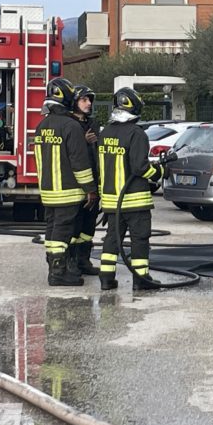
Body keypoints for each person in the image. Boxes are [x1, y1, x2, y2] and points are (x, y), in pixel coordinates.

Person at [97, 87, 164, 291]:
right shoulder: (137, 134)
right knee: (139, 239)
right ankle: (141, 280)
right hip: (135, 201)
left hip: (111, 201)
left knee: (112, 239)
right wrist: (159, 172)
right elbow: (140, 167)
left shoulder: (105, 133)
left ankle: (106, 278)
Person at [35, 77, 98, 287]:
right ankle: (58, 273)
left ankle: (55, 268)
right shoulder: (71, 126)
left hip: (48, 191)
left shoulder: (42, 125)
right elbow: (80, 164)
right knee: (63, 233)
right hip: (68, 191)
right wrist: (90, 189)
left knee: (52, 231)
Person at [67, 84, 101, 276]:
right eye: (84, 99)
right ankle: (70, 262)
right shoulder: (68, 124)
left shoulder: (93, 124)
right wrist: (82, 141)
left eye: (90, 100)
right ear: (74, 102)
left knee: (88, 226)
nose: (88, 103)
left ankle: (83, 260)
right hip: (75, 185)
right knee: (74, 226)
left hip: (93, 183)